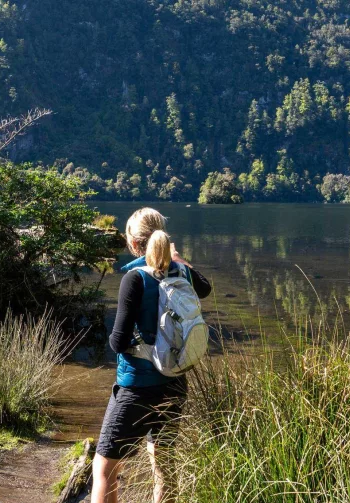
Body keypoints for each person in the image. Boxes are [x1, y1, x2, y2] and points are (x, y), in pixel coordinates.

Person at [91, 207, 211, 503]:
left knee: (105, 466)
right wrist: (178, 258)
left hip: (135, 389)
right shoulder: (181, 272)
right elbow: (205, 288)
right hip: (174, 385)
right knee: (165, 465)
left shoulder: (135, 278)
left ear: (133, 244)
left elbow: (118, 343)